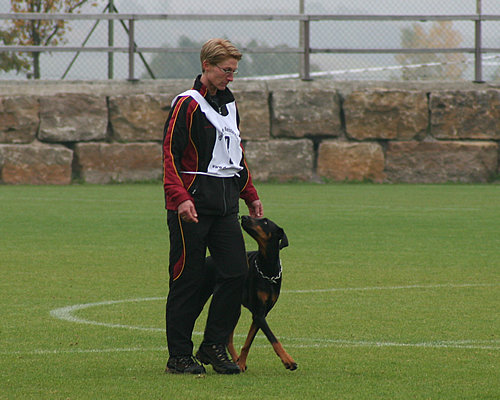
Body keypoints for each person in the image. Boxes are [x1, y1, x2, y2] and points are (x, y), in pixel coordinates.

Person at [162, 38, 263, 375]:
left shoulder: (230, 105)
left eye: (234, 71)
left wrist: (249, 194)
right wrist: (180, 198)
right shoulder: (186, 104)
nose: (230, 77)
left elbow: (234, 155)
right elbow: (170, 156)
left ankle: (213, 346)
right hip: (191, 207)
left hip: (224, 207)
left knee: (236, 273)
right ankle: (178, 357)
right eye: (226, 70)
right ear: (206, 66)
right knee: (187, 279)